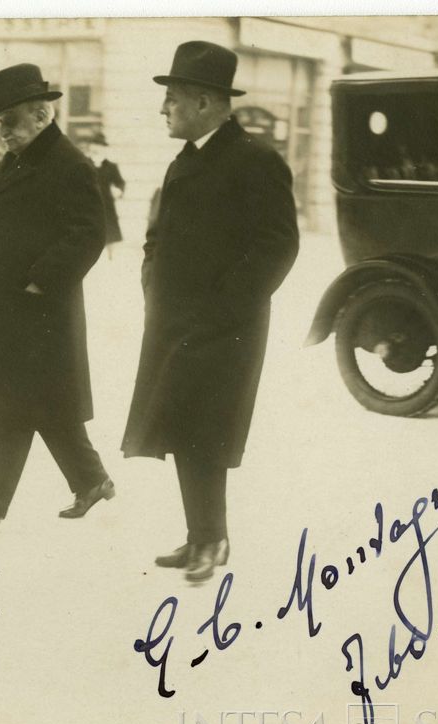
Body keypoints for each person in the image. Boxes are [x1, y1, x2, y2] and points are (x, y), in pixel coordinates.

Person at [122, 41, 300, 581]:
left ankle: (212, 541)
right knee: (181, 427)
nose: (163, 110)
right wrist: (152, 279)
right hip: (176, 322)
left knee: (207, 432)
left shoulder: (256, 160)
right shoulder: (187, 159)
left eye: (171, 100)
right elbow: (157, 235)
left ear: (203, 102)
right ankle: (200, 536)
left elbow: (277, 246)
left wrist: (223, 308)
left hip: (226, 328)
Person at [0, 63, 114, 542]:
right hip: (7, 310)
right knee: (42, 405)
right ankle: (91, 481)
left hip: (35, 312)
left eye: (10, 119)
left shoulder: (69, 163)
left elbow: (88, 234)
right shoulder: (20, 159)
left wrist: (40, 282)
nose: (2, 129)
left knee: (12, 409)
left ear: (42, 115)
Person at [85, 133, 126, 258]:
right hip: (89, 205)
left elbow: (120, 182)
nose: (96, 149)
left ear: (104, 148)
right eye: (94, 145)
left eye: (100, 146)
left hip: (107, 205)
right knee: (89, 235)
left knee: (110, 235)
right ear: (90, 147)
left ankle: (111, 259)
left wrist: (118, 190)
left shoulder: (110, 166)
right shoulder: (84, 164)